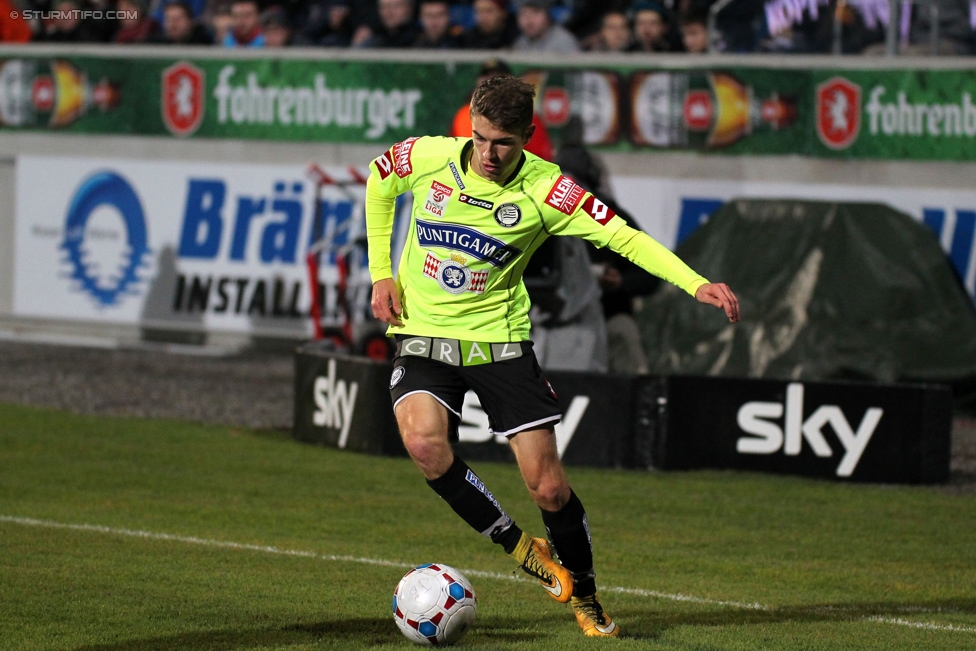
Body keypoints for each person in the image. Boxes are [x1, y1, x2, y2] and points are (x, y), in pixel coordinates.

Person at [366, 75, 739, 638]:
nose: (489, 154)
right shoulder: (427, 156)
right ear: (470, 124)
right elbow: (379, 179)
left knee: (548, 488)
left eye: (504, 143)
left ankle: (586, 595)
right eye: (481, 137)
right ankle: (520, 547)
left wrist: (694, 283)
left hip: (499, 341)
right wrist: (382, 272)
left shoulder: (549, 192)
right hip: (423, 331)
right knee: (424, 444)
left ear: (528, 137)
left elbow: (624, 238)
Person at [448, 58, 554, 162]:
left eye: (498, 77)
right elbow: (452, 153)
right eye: (487, 76)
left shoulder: (527, 115)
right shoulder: (462, 114)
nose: (491, 82)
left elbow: (541, 159)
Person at [512, 0, 580, 53]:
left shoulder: (563, 41)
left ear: (548, 16)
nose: (529, 20)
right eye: (523, 13)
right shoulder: (520, 43)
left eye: (536, 12)